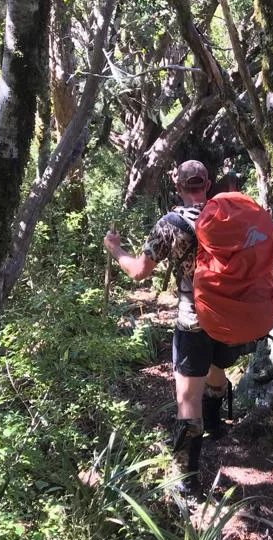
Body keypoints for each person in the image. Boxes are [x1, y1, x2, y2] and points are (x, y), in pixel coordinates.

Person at [103, 160, 241, 496]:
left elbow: (139, 272)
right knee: (217, 369)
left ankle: (187, 482)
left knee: (187, 399)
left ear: (178, 187)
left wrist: (116, 249)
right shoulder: (228, 215)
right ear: (207, 184)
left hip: (194, 319)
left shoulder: (170, 225)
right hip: (228, 316)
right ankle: (216, 424)